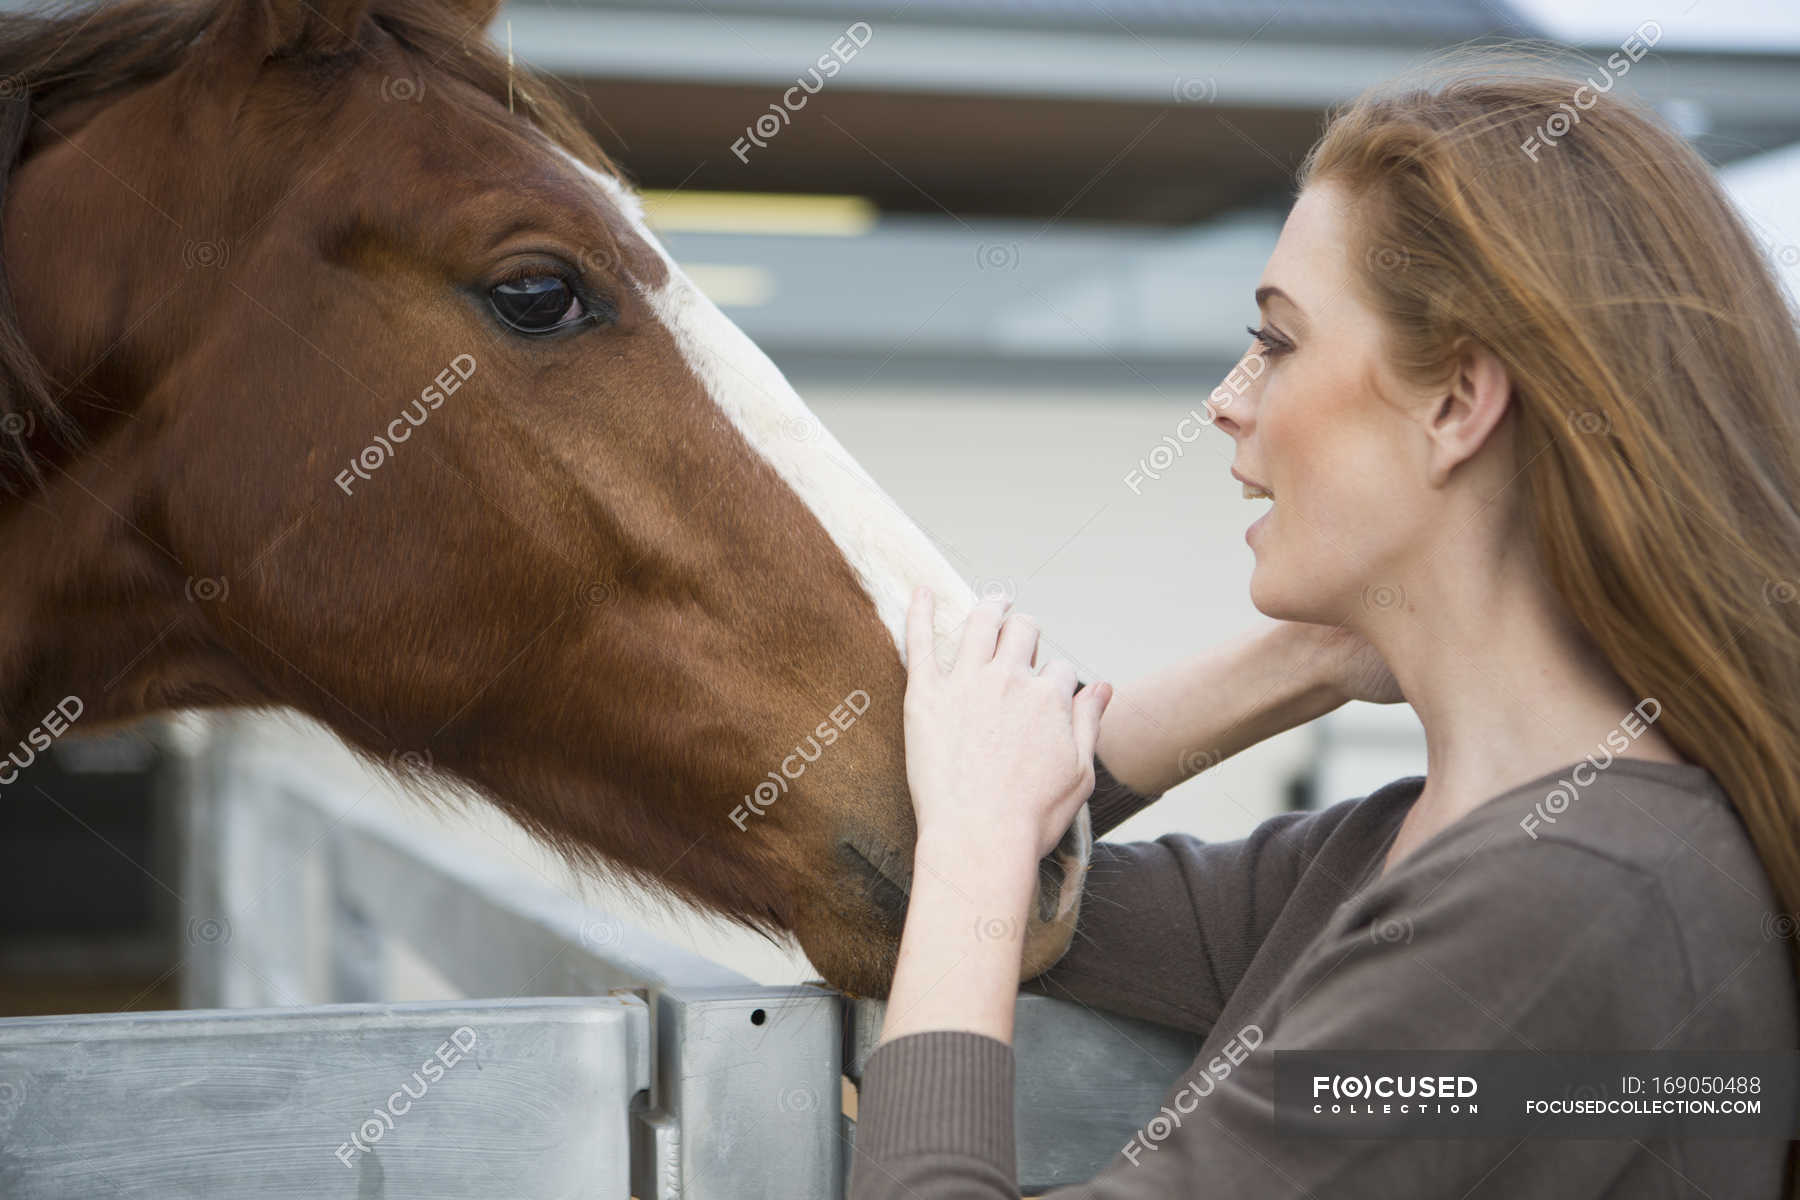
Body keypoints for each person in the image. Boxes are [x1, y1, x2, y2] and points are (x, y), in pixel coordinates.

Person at [849, 51, 1800, 1200]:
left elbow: (970, 879)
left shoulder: (1563, 897)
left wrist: (979, 836)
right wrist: (1302, 658)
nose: (1228, 399)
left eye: (1280, 341)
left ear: (1455, 403)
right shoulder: (1396, 856)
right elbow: (892, 879)